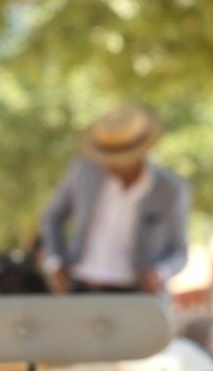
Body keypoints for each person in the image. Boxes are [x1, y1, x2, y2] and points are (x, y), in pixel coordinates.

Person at [38, 105, 192, 296]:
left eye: (117, 157)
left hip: (137, 295)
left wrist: (160, 273)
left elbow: (179, 252)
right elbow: (52, 215)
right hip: (80, 287)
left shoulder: (170, 190)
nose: (108, 164)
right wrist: (54, 261)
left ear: (139, 152)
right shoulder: (84, 171)